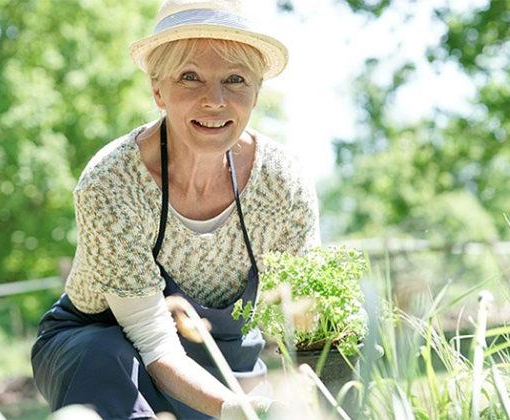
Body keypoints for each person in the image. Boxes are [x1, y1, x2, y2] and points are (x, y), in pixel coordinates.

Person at [30, 1, 320, 419]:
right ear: (158, 90)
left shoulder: (283, 183)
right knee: (105, 353)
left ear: (256, 92)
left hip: (221, 362)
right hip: (104, 356)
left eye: (235, 80)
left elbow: (306, 319)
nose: (214, 100)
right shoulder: (113, 182)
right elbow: (154, 341)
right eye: (190, 77)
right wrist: (233, 408)